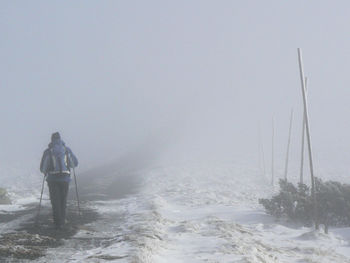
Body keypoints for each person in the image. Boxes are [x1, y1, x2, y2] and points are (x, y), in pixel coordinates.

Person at [40, 132, 78, 229]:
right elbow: (75, 163)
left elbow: (42, 168)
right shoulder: (66, 150)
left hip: (52, 179)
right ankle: (62, 220)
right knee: (63, 200)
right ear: (60, 139)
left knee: (55, 201)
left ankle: (58, 223)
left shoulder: (48, 151)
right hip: (65, 179)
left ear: (51, 139)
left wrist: (46, 172)